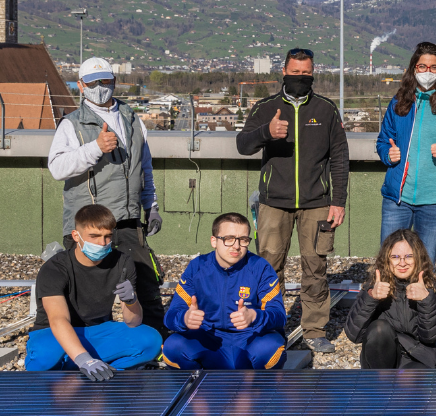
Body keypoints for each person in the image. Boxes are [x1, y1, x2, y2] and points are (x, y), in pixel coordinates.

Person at [236, 48, 349, 354]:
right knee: (270, 268)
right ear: (283, 72)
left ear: (313, 73)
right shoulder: (265, 107)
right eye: (295, 72)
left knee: (316, 266)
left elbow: (339, 158)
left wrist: (338, 201)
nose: (301, 78)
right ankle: (270, 328)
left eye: (306, 73)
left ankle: (314, 328)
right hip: (274, 202)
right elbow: (243, 145)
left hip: (317, 202)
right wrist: (267, 132)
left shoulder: (326, 109)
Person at [48, 56, 165, 335]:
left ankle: (153, 341)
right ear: (80, 86)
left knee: (144, 282)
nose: (100, 87)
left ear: (114, 82)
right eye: (93, 83)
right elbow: (57, 168)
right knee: (85, 288)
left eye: (105, 81)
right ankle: (80, 343)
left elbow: (143, 167)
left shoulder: (132, 118)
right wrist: (95, 148)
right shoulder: (71, 124)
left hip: (127, 221)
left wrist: (152, 205)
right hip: (90, 224)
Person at [25, 204, 162, 381]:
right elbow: (58, 319)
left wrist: (131, 300)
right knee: (46, 355)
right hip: (53, 332)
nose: (102, 243)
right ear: (76, 236)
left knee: (150, 340)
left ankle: (94, 369)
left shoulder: (123, 262)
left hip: (98, 331)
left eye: (107, 236)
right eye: (94, 236)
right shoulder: (55, 268)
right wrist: (85, 360)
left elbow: (133, 321)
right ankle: (86, 363)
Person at [161, 213, 287, 370]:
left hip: (249, 339)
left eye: (243, 239)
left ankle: (255, 387)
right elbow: (171, 316)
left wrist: (254, 316)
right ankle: (198, 384)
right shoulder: (197, 267)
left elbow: (280, 316)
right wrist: (185, 318)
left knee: (271, 348)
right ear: (214, 241)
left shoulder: (260, 267)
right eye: (229, 239)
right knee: (172, 346)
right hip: (209, 340)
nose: (236, 246)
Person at [377, 42, 436, 263]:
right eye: (422, 66)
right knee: (390, 263)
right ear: (414, 69)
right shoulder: (398, 102)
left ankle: (420, 300)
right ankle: (392, 300)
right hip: (398, 200)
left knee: (424, 265)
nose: (427, 72)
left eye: (433, 68)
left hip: (434, 200)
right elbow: (383, 140)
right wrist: (387, 153)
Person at [344, 229, 436, 369]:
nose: (402, 263)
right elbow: (353, 335)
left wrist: (425, 301)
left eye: (409, 256)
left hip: (416, 357)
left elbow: (431, 337)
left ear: (419, 258)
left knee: (410, 383)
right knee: (379, 328)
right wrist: (371, 298)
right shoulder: (375, 285)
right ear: (387, 259)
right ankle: (381, 384)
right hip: (381, 356)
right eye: (395, 257)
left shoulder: (432, 287)